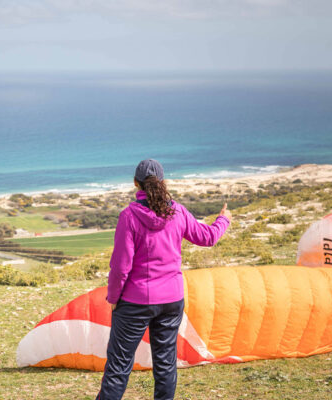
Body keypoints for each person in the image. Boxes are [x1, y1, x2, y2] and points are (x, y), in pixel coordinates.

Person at [96, 159, 232, 400]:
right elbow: (208, 237)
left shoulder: (129, 216)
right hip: (171, 300)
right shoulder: (177, 211)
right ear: (161, 181)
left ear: (136, 183)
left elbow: (120, 266)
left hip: (135, 302)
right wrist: (223, 219)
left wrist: (113, 297)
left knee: (119, 367)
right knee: (165, 364)